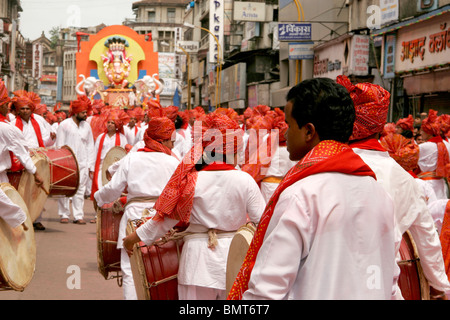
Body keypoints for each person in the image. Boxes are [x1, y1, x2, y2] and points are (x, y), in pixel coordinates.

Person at [228, 78, 398, 300]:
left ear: (309, 131)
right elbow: (390, 282)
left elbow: (266, 291)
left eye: (289, 125)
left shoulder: (301, 195)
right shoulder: (379, 195)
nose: (285, 134)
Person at [123, 113, 266, 300]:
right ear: (231, 151)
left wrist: (131, 239)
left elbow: (163, 222)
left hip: (196, 265)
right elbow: (263, 223)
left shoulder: (191, 181)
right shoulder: (245, 180)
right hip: (234, 262)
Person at [337, 75, 450, 300]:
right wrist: (441, 287)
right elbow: (427, 237)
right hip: (380, 285)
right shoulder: (401, 177)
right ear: (380, 126)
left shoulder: (321, 165)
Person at [94, 117, 180, 300]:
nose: (173, 146)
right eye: (171, 141)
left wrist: (98, 199)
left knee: (131, 272)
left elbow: (113, 189)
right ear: (162, 139)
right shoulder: (173, 162)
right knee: (165, 270)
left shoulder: (133, 158)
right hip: (163, 220)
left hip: (134, 218)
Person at [11, 90, 55, 230]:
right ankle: (22, 218)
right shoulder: (12, 124)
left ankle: (37, 219)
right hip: (21, 161)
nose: (25, 111)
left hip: (38, 159)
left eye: (27, 108)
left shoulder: (39, 122)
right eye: (22, 108)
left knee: (38, 190)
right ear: (18, 110)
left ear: (31, 109)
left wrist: (51, 139)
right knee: (22, 191)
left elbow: (45, 142)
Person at [56, 96, 95, 224]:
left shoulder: (87, 126)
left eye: (86, 112)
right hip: (67, 162)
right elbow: (59, 145)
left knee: (80, 189)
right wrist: (59, 163)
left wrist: (91, 166)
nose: (85, 115)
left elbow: (90, 146)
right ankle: (64, 214)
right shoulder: (64, 125)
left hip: (83, 162)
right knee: (65, 188)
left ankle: (78, 216)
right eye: (83, 112)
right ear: (76, 112)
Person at [90, 108, 128, 203]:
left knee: (111, 190)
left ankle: (109, 213)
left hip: (114, 168)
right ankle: (98, 214)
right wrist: (91, 168)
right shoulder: (101, 137)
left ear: (117, 125)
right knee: (99, 189)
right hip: (101, 166)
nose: (110, 124)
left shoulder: (122, 138)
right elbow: (94, 152)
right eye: (109, 122)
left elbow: (124, 154)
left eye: (112, 123)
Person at [417, 109, 450, 200]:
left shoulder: (424, 147)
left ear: (428, 132)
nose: (420, 133)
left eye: (423, 130)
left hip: (427, 184)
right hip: (442, 183)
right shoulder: (447, 145)